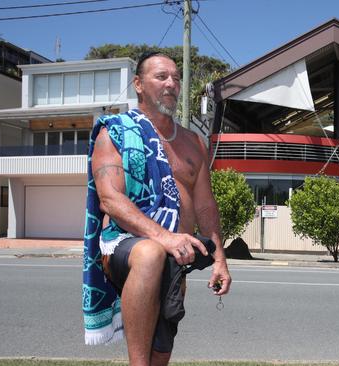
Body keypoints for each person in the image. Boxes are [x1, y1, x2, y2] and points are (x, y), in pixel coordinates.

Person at [81, 52, 231, 366]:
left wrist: (219, 258)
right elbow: (110, 199)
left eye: (176, 78)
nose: (172, 84)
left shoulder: (193, 142)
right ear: (138, 84)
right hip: (125, 243)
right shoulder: (116, 132)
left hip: (178, 254)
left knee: (163, 344)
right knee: (150, 253)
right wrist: (164, 237)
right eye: (161, 77)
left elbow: (205, 206)